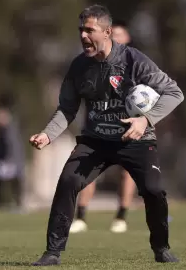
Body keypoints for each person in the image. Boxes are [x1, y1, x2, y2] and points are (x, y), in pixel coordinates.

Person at [29, 5, 184, 266]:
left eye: (90, 30)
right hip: (96, 141)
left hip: (136, 140)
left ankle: (161, 247)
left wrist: (145, 119)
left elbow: (175, 93)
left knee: (154, 190)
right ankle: (52, 252)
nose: (83, 36)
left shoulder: (134, 61)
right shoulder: (79, 66)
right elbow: (66, 109)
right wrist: (47, 135)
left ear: (108, 32)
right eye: (81, 30)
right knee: (68, 181)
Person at [70, 21, 137, 234]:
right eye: (112, 34)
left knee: (127, 172)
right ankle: (80, 217)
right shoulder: (92, 65)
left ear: (127, 39)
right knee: (89, 171)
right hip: (97, 128)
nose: (115, 38)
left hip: (126, 127)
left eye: (120, 34)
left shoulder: (136, 64)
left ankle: (121, 216)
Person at [0, 93, 25, 210]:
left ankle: (17, 204)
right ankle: (0, 203)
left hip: (11, 160)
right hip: (6, 159)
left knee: (14, 182)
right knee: (0, 182)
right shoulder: (2, 130)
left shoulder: (10, 129)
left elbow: (13, 146)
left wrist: (10, 159)